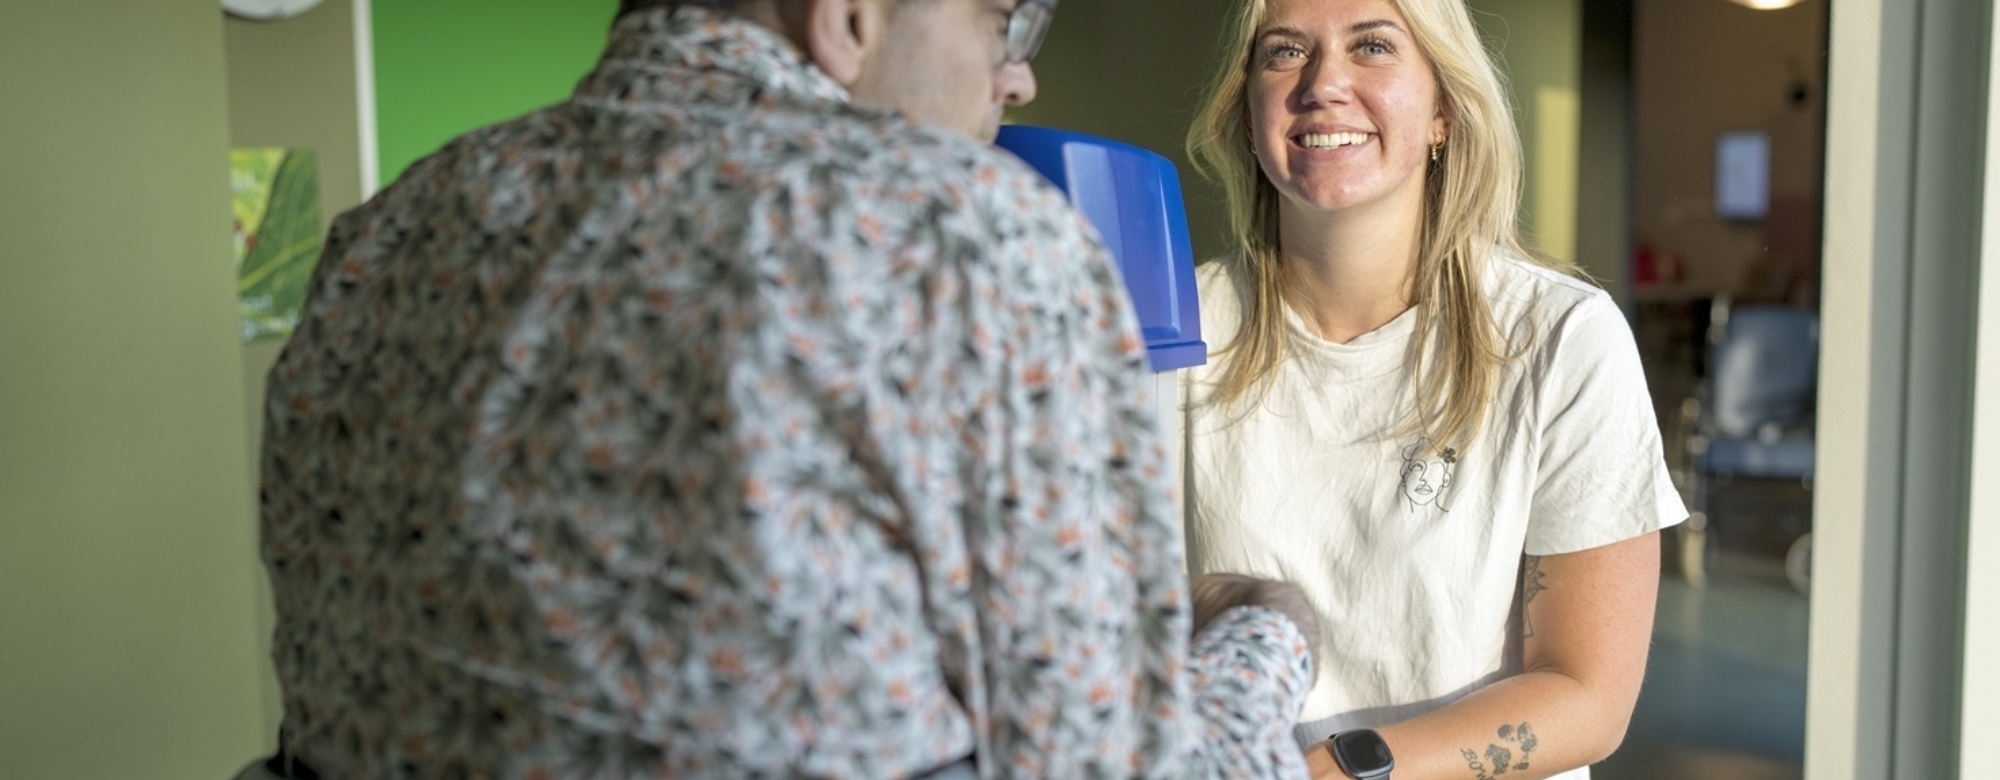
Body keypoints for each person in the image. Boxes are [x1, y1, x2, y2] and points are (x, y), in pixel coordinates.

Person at [256, 0, 1324, 778]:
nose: (1015, 79)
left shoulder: (386, 236)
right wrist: (1266, 640)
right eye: (999, 23)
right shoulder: (969, 233)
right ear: (847, 19)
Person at [1179, 0, 1687, 778]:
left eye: (1373, 46)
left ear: (1444, 108)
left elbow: (1587, 694)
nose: (1325, 83)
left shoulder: (1561, 340)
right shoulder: (1168, 334)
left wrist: (1322, 775)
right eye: (1284, 52)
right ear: (1249, 113)